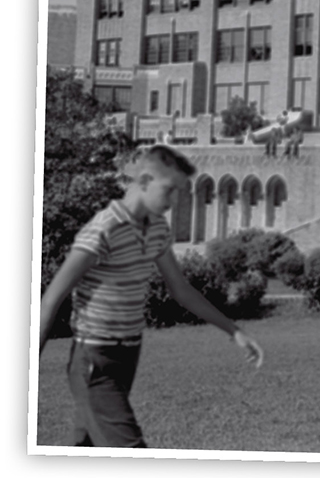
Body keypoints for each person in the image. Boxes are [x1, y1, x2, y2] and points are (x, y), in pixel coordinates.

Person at [38, 145, 264, 448]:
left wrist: (234, 330)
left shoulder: (156, 228)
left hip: (128, 354)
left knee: (86, 449)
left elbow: (180, 289)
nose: (174, 202)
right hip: (95, 359)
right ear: (144, 181)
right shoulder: (104, 229)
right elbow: (53, 297)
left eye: (179, 193)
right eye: (169, 191)